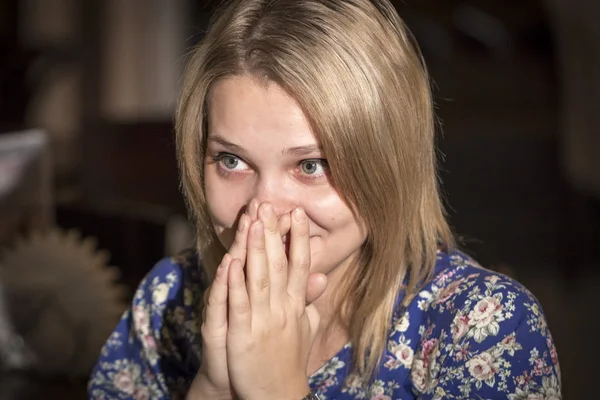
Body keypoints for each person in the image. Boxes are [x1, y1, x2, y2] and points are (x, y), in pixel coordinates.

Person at [88, 0, 561, 398]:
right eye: (232, 161)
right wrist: (214, 387)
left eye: (311, 165)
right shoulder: (169, 299)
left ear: (388, 165)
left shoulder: (486, 330)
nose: (265, 209)